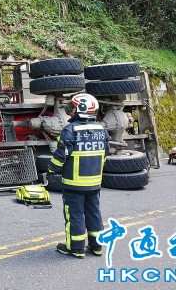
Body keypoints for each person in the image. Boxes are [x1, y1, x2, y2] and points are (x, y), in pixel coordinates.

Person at [47, 93, 110, 258]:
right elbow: (105, 154)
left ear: (81, 109)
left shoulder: (70, 130)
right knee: (94, 213)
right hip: (94, 183)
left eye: (74, 107)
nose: (71, 110)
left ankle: (75, 248)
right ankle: (97, 247)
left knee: (74, 215)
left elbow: (62, 155)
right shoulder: (101, 130)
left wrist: (51, 170)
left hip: (74, 184)